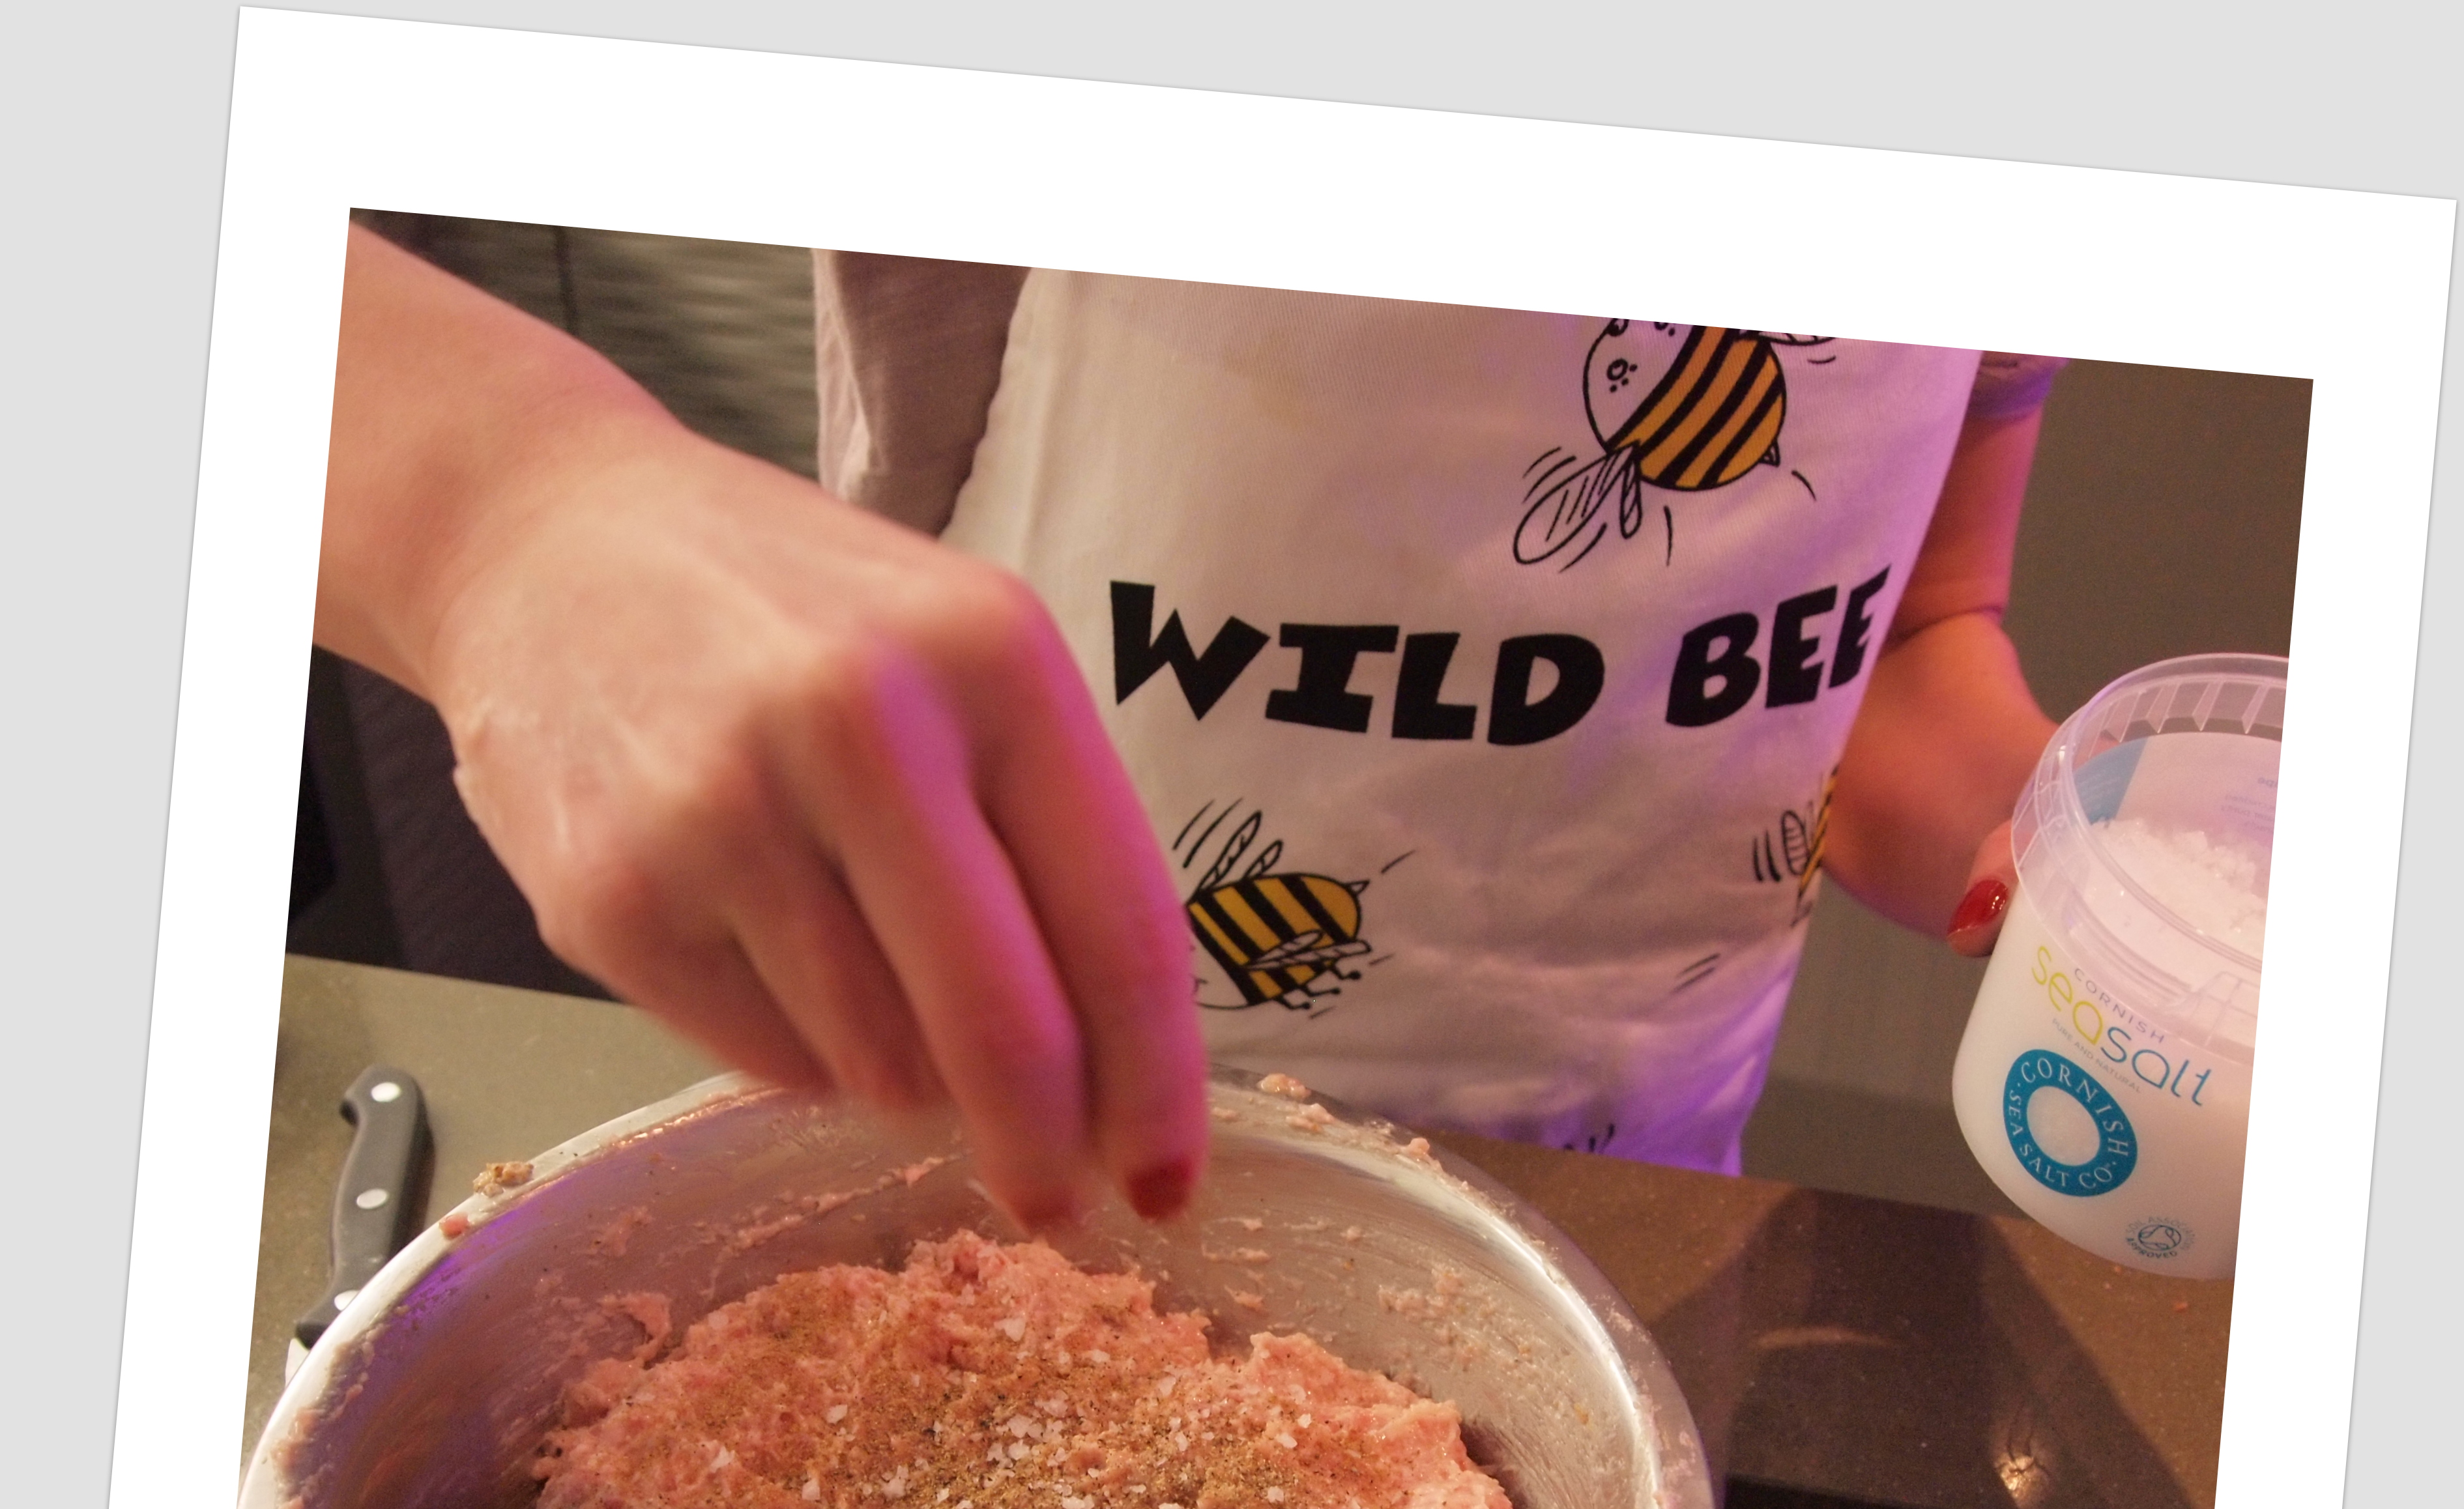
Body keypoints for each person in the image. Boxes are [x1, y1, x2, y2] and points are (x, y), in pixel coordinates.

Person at [317, 225, 2055, 1230]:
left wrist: (2071, 878)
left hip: (1644, 1193)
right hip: (1027, 1179)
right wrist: (505, 510)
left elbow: (1902, 645)